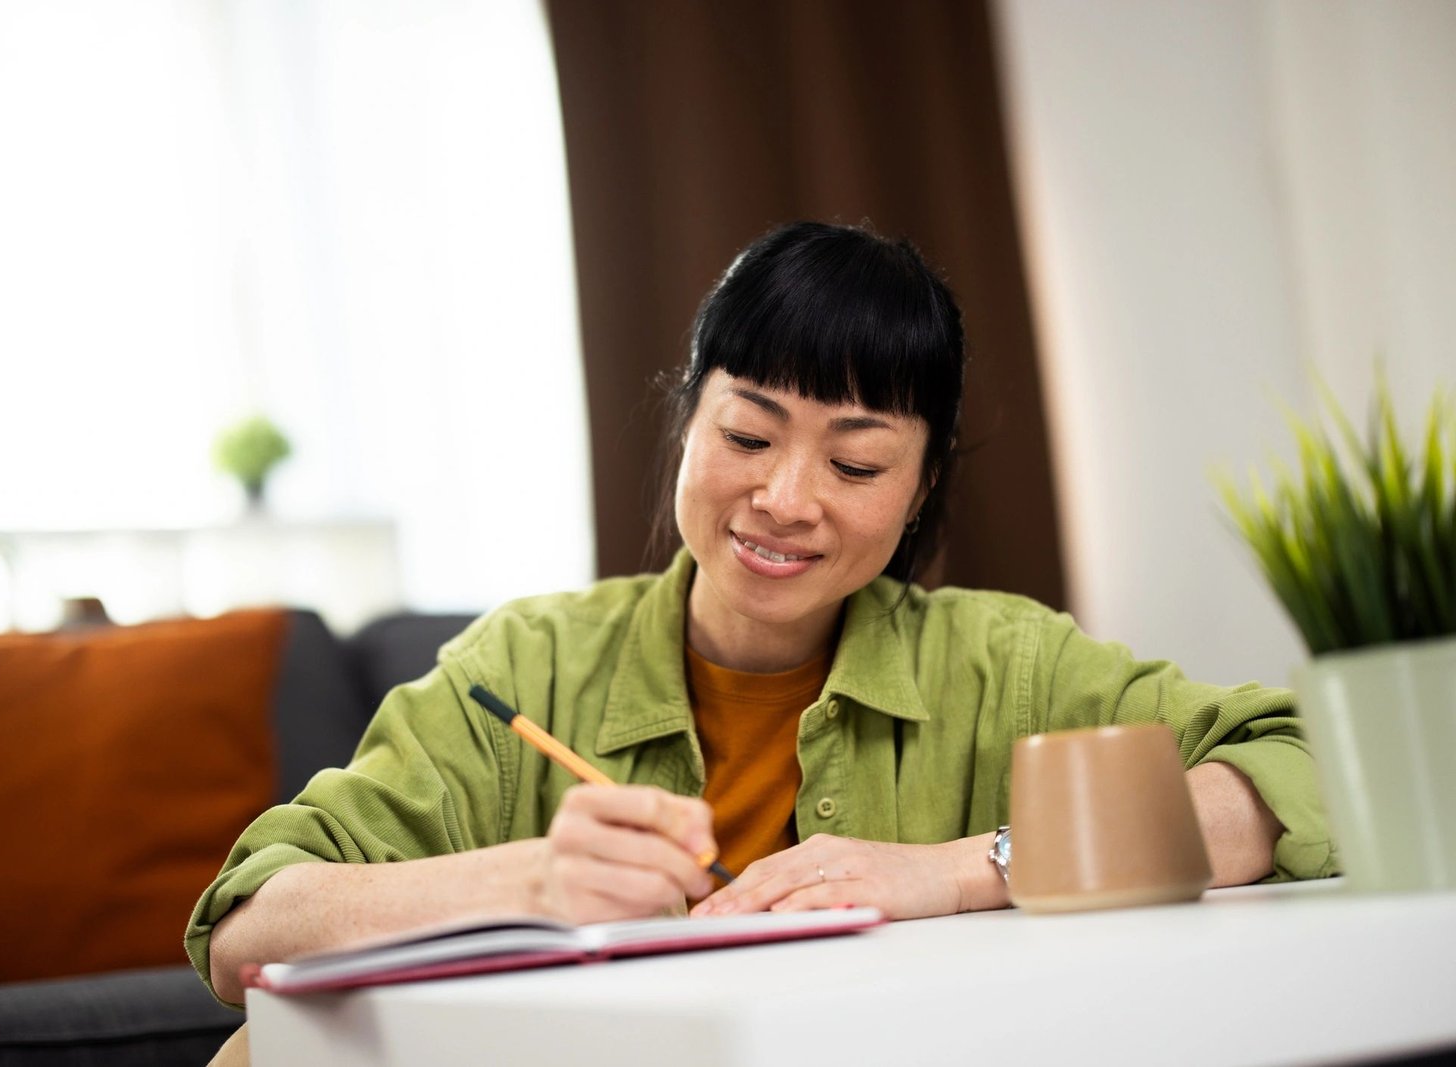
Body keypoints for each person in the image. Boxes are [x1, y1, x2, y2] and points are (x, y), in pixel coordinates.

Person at [187, 221, 1336, 1008]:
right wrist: (528, 884)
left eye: (856, 460)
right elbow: (246, 928)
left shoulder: (1004, 662)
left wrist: (962, 867)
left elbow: (1303, 769)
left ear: (922, 486)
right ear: (686, 420)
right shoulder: (524, 665)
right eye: (746, 435)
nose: (784, 500)